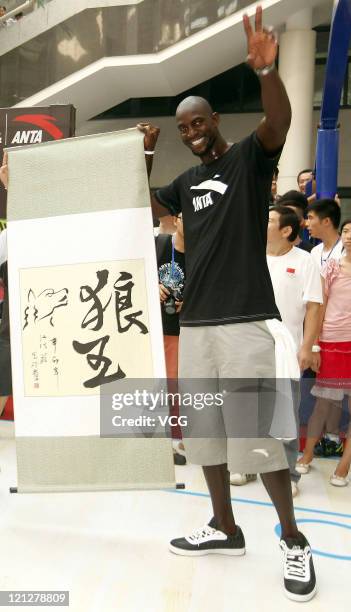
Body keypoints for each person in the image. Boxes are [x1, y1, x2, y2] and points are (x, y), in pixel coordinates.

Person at [138, 6, 316, 602]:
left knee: (258, 440)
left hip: (243, 324)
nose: (191, 134)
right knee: (209, 438)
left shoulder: (246, 158)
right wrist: (144, 156)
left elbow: (280, 122)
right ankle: (224, 526)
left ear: (214, 121)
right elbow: (144, 202)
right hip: (197, 328)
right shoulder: (184, 185)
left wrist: (267, 72)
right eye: (182, 129)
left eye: (197, 124)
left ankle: (292, 539)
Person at [298, 219, 351, 483]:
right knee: (323, 403)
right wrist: (315, 344)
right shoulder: (330, 268)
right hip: (331, 342)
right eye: (347, 231)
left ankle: (343, 466)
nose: (350, 236)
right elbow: (318, 307)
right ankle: (307, 455)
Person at [156, 214, 186, 464]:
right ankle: (163, 443)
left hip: (189, 330)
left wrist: (190, 301)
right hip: (157, 329)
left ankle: (182, 441)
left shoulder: (205, 248)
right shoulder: (159, 244)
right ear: (176, 220)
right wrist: (152, 286)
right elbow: (132, 275)